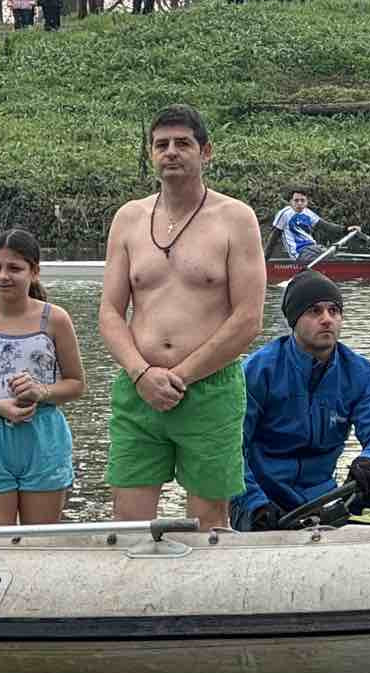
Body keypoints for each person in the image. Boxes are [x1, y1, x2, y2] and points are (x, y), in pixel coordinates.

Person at [99, 104, 266, 530]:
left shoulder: (236, 219)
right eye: (161, 145)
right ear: (151, 154)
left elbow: (248, 318)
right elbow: (111, 312)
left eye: (182, 143)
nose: (171, 152)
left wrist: (179, 377)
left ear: (206, 151)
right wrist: (141, 374)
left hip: (210, 389)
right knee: (128, 520)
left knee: (209, 520)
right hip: (138, 388)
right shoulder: (129, 219)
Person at [230, 270, 370, 532]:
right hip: (261, 501)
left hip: (324, 498)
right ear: (294, 320)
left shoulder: (360, 373)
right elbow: (230, 449)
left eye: (334, 311)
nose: (326, 319)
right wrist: (254, 503)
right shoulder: (257, 371)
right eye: (314, 311)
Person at [0, 227, 86, 526]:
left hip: (44, 437)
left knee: (39, 543)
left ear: (34, 272)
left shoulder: (55, 319)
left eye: (14, 268)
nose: (3, 276)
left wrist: (42, 392)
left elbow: (76, 384)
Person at [265, 189, 359, 263]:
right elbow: (273, 238)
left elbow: (326, 226)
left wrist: (346, 229)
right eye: (296, 200)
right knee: (323, 260)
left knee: (333, 258)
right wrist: (265, 260)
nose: (299, 203)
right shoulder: (284, 214)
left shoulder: (308, 213)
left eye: (302, 200)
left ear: (306, 202)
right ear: (291, 202)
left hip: (314, 247)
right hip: (299, 252)